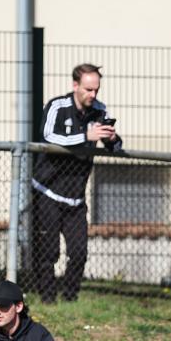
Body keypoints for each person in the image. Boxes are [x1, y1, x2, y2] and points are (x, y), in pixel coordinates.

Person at [31, 63, 122, 303]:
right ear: (75, 85)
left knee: (79, 252)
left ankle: (70, 298)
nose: (93, 95)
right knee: (48, 251)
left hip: (76, 198)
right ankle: (48, 299)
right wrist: (85, 137)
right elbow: (48, 136)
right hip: (48, 191)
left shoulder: (99, 109)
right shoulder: (57, 106)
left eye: (96, 90)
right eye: (88, 89)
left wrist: (112, 138)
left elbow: (115, 145)